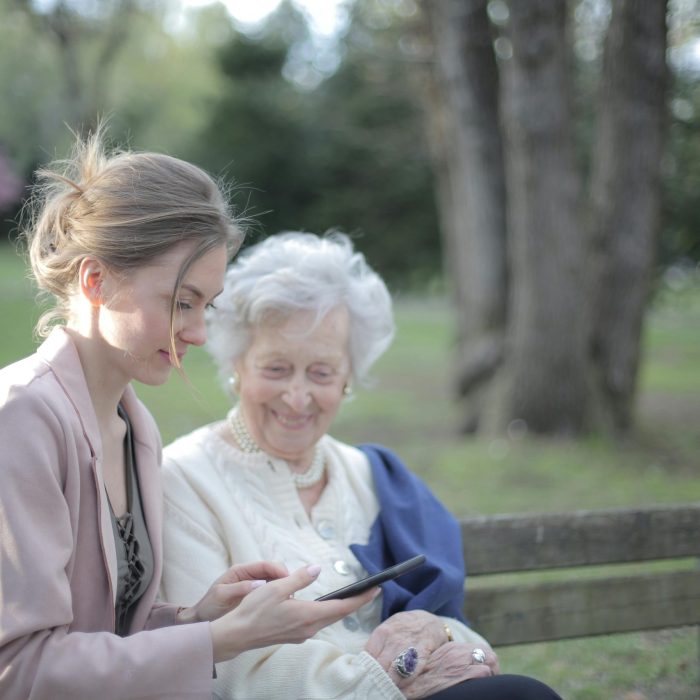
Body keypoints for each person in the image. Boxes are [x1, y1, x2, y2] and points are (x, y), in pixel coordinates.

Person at [0, 133, 377, 700]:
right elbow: (22, 670)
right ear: (95, 280)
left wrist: (199, 616)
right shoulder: (22, 418)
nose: (198, 334)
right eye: (181, 302)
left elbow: (108, 634)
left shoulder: (135, 427)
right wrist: (218, 641)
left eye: (207, 305)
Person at [160, 232, 563, 699]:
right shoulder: (184, 479)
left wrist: (436, 631)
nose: (297, 397)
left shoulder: (374, 476)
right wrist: (385, 680)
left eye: (321, 373)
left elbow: (464, 638)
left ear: (348, 378)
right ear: (237, 365)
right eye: (275, 369)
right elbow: (228, 669)